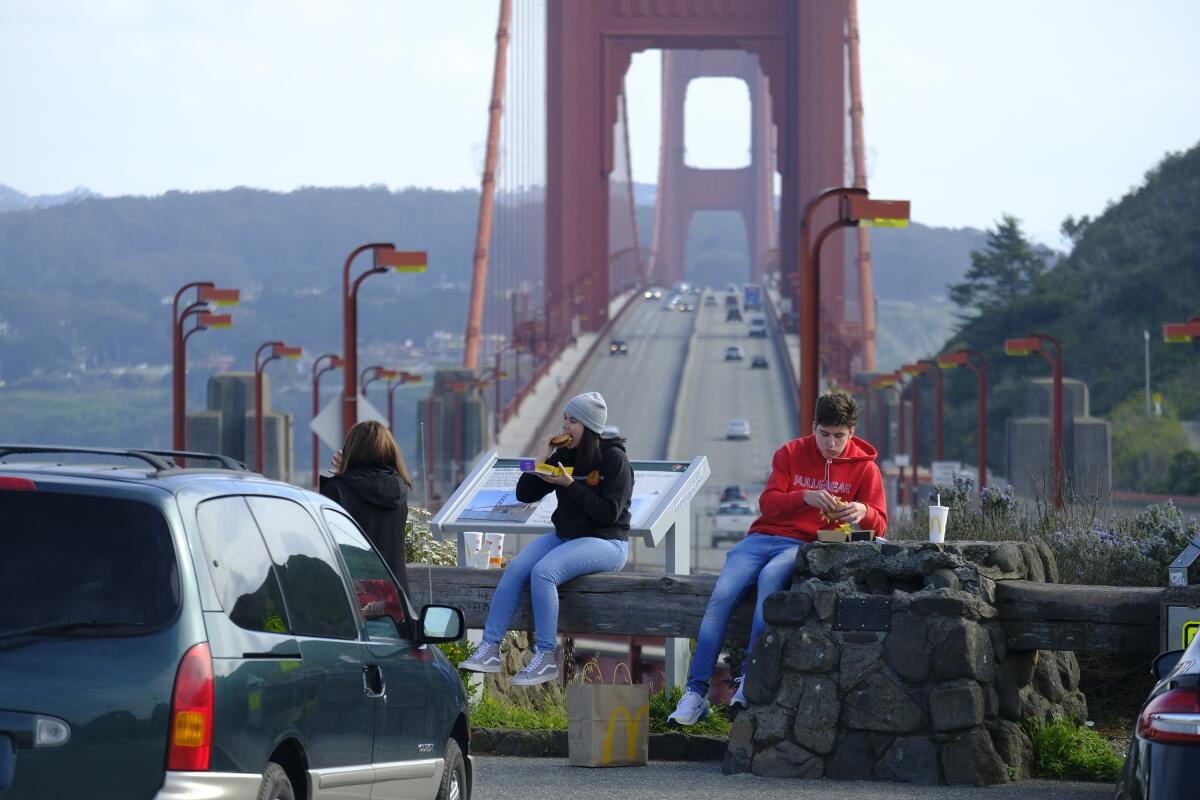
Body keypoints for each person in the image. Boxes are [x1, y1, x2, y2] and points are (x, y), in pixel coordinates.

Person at [668, 391, 887, 724]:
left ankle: (744, 681)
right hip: (759, 538)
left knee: (771, 579)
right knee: (722, 596)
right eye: (823, 434)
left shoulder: (865, 469)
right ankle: (695, 694)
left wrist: (863, 510)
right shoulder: (790, 453)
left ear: (852, 433)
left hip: (798, 545)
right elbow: (768, 503)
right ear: (813, 426)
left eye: (839, 436)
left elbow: (882, 521)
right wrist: (805, 497)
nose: (830, 443)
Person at [458, 391, 634, 686]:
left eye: (573, 421)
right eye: (565, 418)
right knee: (516, 568)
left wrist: (569, 485)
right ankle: (489, 648)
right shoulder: (565, 454)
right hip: (566, 537)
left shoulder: (613, 461)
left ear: (590, 427)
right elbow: (525, 494)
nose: (565, 426)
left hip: (607, 542)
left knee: (544, 572)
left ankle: (545, 658)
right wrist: (541, 462)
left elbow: (609, 514)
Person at [319, 420, 414, 591]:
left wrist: (345, 475)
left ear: (352, 450)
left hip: (352, 594)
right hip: (394, 593)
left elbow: (324, 546)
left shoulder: (337, 490)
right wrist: (347, 475)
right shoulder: (399, 488)